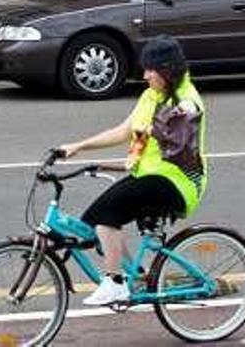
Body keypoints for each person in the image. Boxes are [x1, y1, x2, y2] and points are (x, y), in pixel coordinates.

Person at [56, 36, 207, 306]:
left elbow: (188, 113)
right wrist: (78, 146)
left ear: (168, 71)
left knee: (107, 214)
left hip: (177, 182)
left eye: (152, 69)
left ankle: (114, 283)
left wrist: (173, 116)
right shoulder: (151, 95)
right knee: (93, 222)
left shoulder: (186, 98)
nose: (145, 74)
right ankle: (133, 275)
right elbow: (124, 131)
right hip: (147, 176)